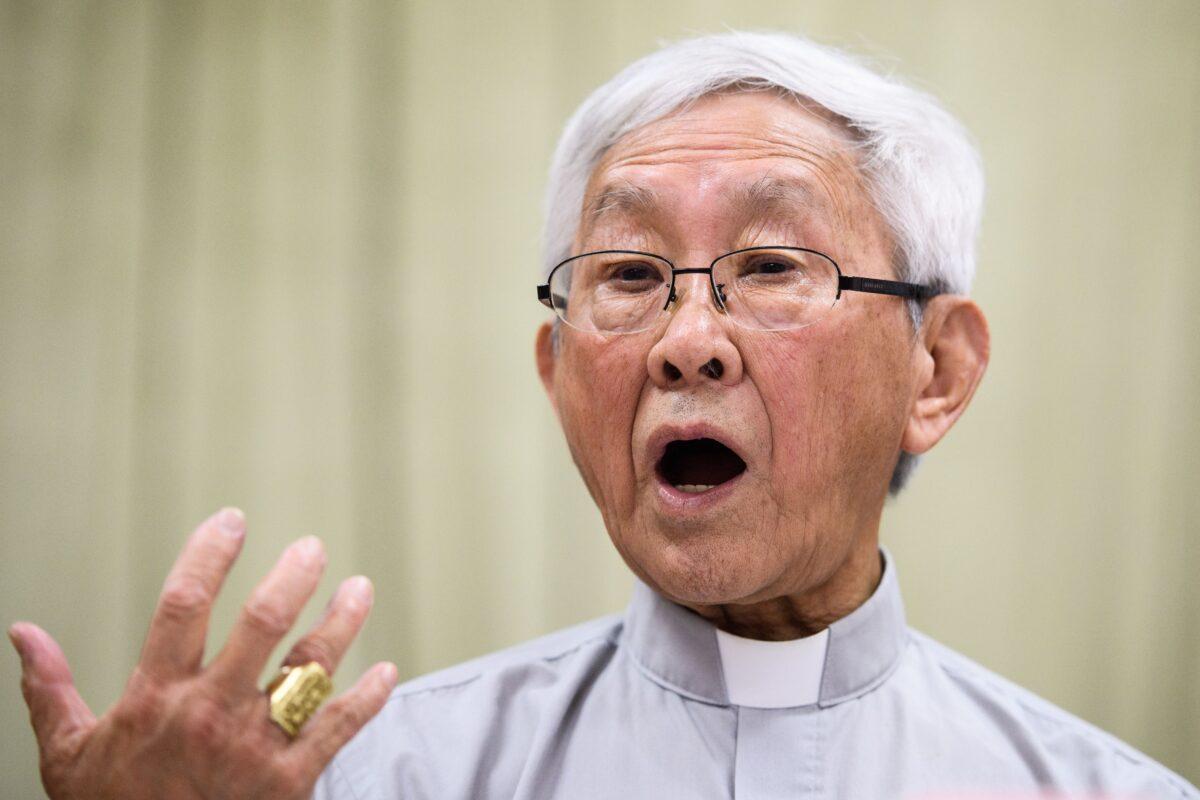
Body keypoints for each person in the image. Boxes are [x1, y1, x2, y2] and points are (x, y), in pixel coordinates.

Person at [9, 31, 1198, 800]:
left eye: (773, 263)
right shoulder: (370, 780)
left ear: (936, 369)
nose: (687, 339)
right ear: (557, 372)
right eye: (627, 275)